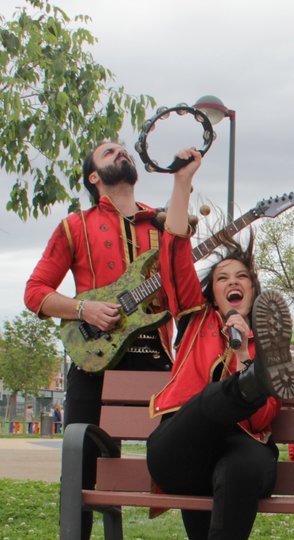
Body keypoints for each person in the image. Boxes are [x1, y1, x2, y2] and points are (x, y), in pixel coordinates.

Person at [146, 148, 294, 539]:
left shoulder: (268, 339)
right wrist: (182, 181)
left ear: (253, 290)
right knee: (208, 401)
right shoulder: (195, 317)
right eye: (222, 278)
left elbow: (261, 421)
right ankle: (246, 385)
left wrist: (244, 351)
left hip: (242, 448)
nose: (233, 282)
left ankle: (249, 381)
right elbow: (173, 257)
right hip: (182, 447)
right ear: (211, 294)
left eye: (242, 277)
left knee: (241, 467)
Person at [24, 141, 173, 539]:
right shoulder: (74, 226)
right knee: (80, 470)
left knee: (193, 453)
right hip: (94, 359)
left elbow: (184, 292)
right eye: (109, 152)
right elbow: (35, 292)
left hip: (155, 357)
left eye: (124, 150)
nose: (121, 153)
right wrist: (83, 309)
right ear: (93, 176)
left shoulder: (163, 225)